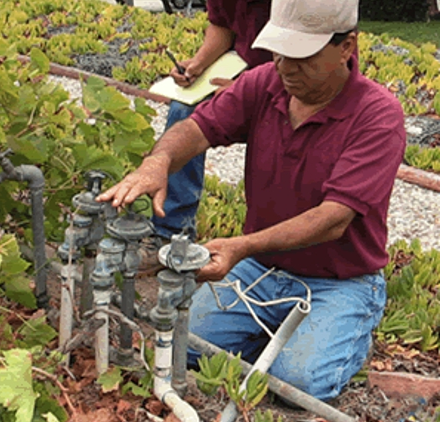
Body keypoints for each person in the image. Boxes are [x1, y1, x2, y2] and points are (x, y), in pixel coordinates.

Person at [97, 0, 406, 401]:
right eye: (279, 52)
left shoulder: (377, 115)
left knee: (299, 384)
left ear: (347, 46)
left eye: (301, 57)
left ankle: (345, 331)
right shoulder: (265, 82)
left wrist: (242, 247)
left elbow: (333, 218)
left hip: (339, 281)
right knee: (178, 343)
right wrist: (158, 162)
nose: (285, 67)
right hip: (260, 270)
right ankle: (284, 337)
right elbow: (197, 127)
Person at [139, 0, 272, 274]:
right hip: (242, 70)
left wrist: (244, 90)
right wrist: (197, 66)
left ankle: (266, 251)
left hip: (296, 80)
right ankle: (172, 232)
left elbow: (302, 53)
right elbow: (222, 26)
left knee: (274, 134)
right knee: (183, 109)